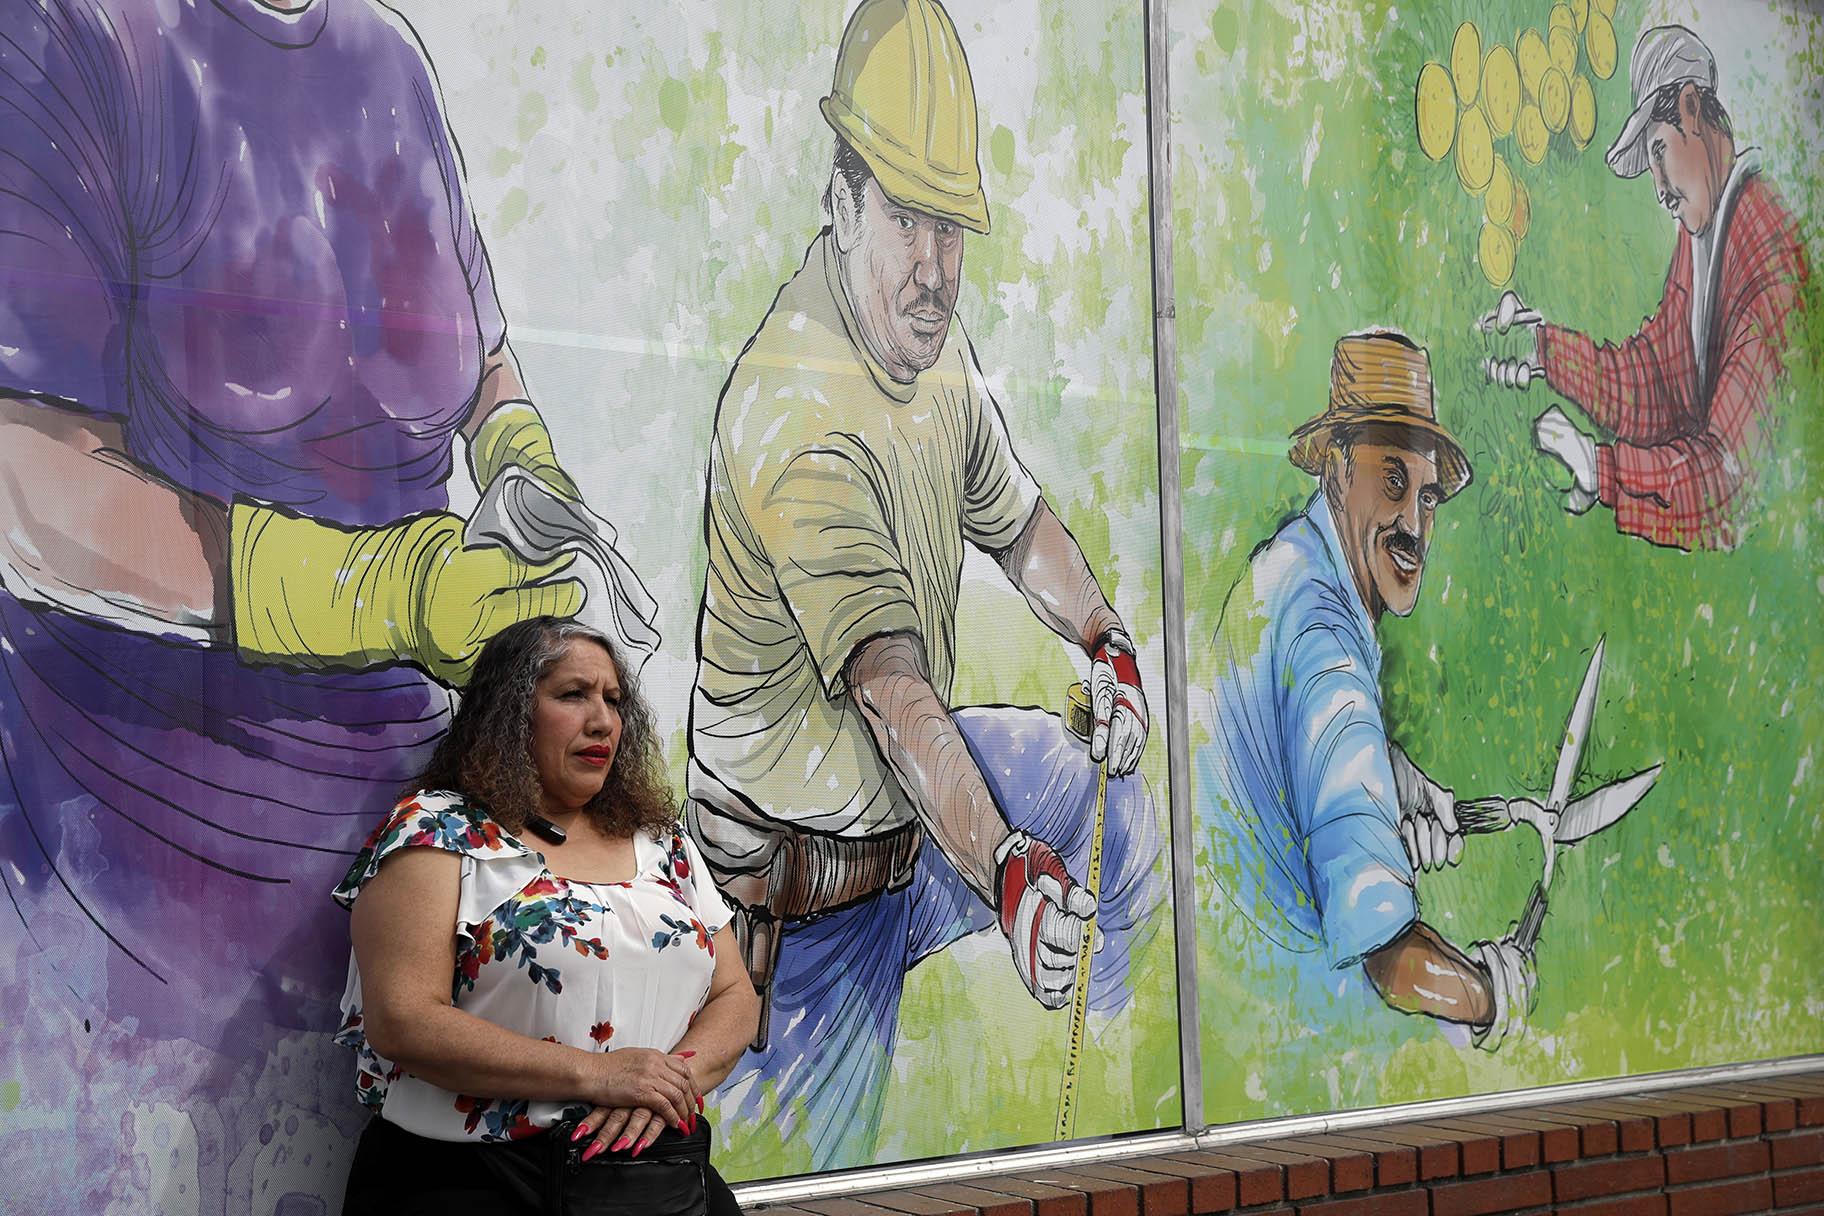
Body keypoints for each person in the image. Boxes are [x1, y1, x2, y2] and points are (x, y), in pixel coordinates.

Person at [0, 0, 591, 1207]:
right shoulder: (75, 36)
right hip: (144, 930)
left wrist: (518, 447)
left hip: (407, 894)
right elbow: (24, 482)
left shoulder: (387, 60)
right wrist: (368, 587)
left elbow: (477, 353)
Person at [686, 0, 1163, 1168]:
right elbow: (895, 694)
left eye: (952, 227)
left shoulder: (934, 352)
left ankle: (1126, 1104)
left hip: (908, 828)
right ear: (841, 203)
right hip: (800, 914)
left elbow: (1019, 521)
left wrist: (1105, 640)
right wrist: (1010, 874)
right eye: (907, 217)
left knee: (1096, 809)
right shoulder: (793, 409)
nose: (937, 268)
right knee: (814, 1181)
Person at [336, 617, 758, 1215]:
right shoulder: (437, 832)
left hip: (653, 1183)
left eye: (613, 700)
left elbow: (736, 993)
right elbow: (404, 1022)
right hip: (471, 1180)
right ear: (511, 713)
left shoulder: (663, 843)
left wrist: (662, 1084)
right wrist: (598, 1076)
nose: (602, 719)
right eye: (572, 694)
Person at [1199, 331, 1539, 1049]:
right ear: (1335, 473)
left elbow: (1295, 755)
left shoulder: (1287, 569)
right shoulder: (1329, 646)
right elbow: (1393, 964)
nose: (1415, 525)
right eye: (1393, 482)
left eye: (1429, 496)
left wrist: (1392, 779)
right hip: (1281, 1020)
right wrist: (1491, 992)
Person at [1484, 24, 1808, 551]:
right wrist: (1543, 347)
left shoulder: (1766, 244)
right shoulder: (1703, 238)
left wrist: (1600, 468)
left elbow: (1729, 485)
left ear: (1690, 109)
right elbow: (1655, 380)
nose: (1658, 189)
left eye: (1658, 152)